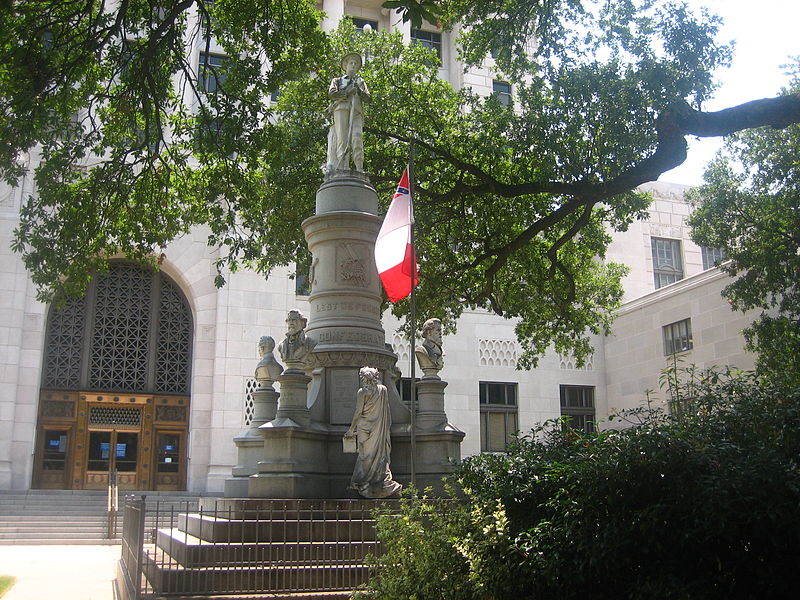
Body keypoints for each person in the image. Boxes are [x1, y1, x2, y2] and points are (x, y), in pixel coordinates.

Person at [344, 367, 402, 498]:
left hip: (364, 428)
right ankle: (376, 481)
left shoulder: (362, 392)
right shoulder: (383, 390)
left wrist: (351, 429)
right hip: (378, 427)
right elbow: (386, 411)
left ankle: (363, 482)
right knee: (378, 454)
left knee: (365, 456)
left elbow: (358, 412)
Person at [325, 52, 371, 173]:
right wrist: (347, 91)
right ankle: (343, 167)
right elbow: (332, 94)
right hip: (341, 109)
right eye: (351, 63)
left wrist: (359, 91)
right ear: (345, 65)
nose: (353, 65)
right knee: (342, 139)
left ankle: (359, 168)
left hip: (356, 111)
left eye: (355, 64)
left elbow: (368, 98)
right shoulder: (337, 81)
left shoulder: (360, 81)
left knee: (357, 138)